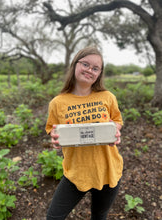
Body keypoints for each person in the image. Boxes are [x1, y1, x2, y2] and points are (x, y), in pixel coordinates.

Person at [45, 46, 123, 220]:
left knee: (99, 216)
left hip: (107, 169)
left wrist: (115, 131)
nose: (90, 70)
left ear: (100, 73)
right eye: (85, 64)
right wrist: (55, 139)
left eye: (95, 68)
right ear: (75, 65)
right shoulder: (58, 103)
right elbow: (53, 129)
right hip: (76, 171)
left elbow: (117, 121)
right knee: (53, 217)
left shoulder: (107, 97)